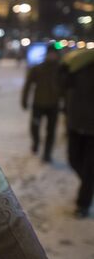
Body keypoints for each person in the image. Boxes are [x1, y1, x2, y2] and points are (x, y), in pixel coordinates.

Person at [60, 55, 94, 218]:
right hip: (76, 124)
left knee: (89, 168)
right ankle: (89, 184)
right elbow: (62, 84)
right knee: (73, 160)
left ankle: (83, 204)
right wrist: (63, 71)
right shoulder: (80, 66)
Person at [21, 44, 62, 162]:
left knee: (51, 131)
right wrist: (24, 100)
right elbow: (28, 85)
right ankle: (36, 142)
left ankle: (47, 153)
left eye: (54, 54)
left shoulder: (60, 70)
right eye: (50, 53)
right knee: (35, 127)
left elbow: (65, 88)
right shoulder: (38, 68)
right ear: (47, 54)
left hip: (53, 106)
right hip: (38, 104)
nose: (52, 56)